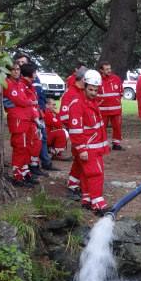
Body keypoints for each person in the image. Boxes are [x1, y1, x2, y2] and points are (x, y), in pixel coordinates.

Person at [66, 69, 110, 214]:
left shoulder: (91, 102)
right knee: (96, 173)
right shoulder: (78, 104)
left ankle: (87, 199)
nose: (93, 92)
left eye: (96, 90)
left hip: (94, 146)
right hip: (88, 147)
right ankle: (98, 203)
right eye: (91, 89)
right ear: (84, 86)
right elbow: (75, 129)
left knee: (87, 174)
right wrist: (81, 149)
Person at [3, 61, 39, 186]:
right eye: (13, 69)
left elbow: (24, 100)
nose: (16, 71)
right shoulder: (7, 84)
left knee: (26, 147)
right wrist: (30, 102)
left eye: (17, 69)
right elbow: (20, 100)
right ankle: (17, 176)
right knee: (19, 148)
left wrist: (28, 102)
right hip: (18, 121)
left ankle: (24, 172)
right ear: (8, 71)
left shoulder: (18, 84)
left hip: (26, 120)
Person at [60, 67, 87, 196]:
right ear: (83, 79)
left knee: (80, 159)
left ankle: (76, 183)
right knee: (79, 157)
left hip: (85, 132)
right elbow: (64, 116)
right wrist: (75, 127)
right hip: (77, 132)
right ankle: (73, 185)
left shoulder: (82, 92)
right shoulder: (70, 94)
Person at [18, 63, 45, 178]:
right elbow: (28, 104)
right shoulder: (23, 86)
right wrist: (36, 119)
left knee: (36, 143)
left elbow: (35, 103)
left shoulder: (29, 86)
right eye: (34, 72)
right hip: (28, 120)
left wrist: (40, 116)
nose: (36, 75)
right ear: (30, 73)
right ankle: (23, 171)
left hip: (34, 118)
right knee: (28, 145)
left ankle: (33, 166)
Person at [98, 61, 124, 150]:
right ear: (101, 70)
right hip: (102, 110)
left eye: (110, 68)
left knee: (117, 126)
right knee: (102, 127)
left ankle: (116, 143)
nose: (109, 70)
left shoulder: (116, 78)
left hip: (116, 109)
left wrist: (116, 101)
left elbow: (121, 93)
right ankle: (103, 144)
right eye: (106, 69)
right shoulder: (97, 80)